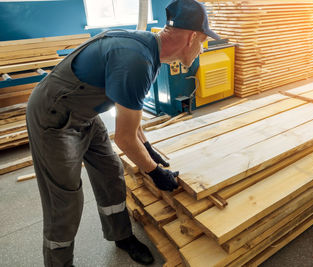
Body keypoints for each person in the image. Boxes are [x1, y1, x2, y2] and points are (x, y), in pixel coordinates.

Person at [26, 0, 220, 266]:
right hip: (54, 117)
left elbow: (132, 117)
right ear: (192, 37)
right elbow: (125, 138)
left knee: (110, 173)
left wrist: (148, 148)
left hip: (85, 113)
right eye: (203, 41)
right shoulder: (136, 61)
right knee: (65, 200)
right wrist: (155, 172)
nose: (202, 48)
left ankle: (122, 236)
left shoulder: (151, 51)